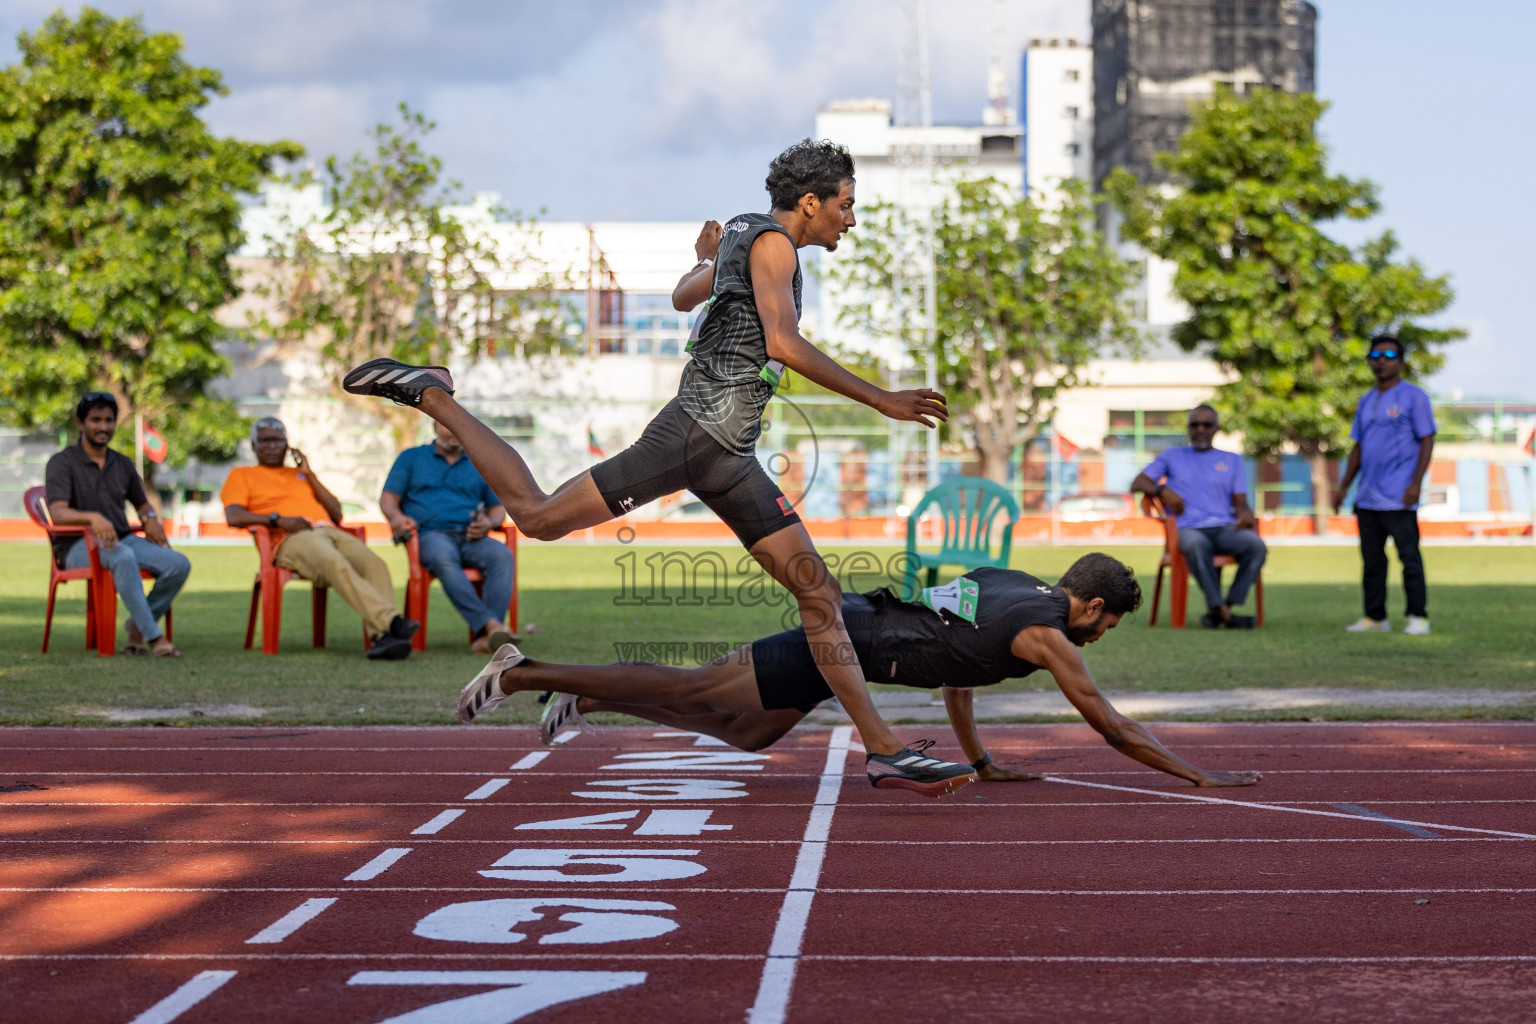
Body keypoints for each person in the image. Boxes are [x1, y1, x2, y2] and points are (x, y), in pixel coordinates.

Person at [341, 139, 972, 794]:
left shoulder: (741, 237)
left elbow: (681, 296)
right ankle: (435, 394)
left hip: (727, 455)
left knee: (819, 595)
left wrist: (706, 259)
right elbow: (783, 340)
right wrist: (880, 398)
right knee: (535, 517)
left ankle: (882, 748)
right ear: (810, 202)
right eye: (846, 205)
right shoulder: (775, 245)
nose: (851, 218)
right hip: (696, 437)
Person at [456, 553, 1261, 795]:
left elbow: (956, 673)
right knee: (694, 688)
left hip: (854, 646)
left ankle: (590, 694)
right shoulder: (1050, 636)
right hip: (840, 640)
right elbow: (1111, 724)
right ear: (1087, 605)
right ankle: (526, 673)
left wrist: (979, 762)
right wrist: (1196, 775)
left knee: (747, 736)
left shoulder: (1015, 585)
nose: (1106, 636)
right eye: (1109, 622)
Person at [221, 417, 418, 660]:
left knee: (375, 565)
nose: (272, 446)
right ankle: (391, 622)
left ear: (287, 445)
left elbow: (336, 512)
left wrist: (309, 473)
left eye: (278, 440)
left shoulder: (301, 476)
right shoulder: (242, 475)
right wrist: (277, 520)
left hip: (329, 531)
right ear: (253, 446)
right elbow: (233, 515)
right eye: (265, 441)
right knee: (333, 560)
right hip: (289, 537)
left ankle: (382, 639)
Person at [44, 392, 190, 657]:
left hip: (122, 538)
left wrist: (151, 520)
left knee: (178, 563)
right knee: (122, 557)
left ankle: (137, 627)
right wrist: (92, 517)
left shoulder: (122, 463)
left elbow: (142, 504)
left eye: (108, 420)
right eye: (95, 420)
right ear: (80, 424)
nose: (103, 426)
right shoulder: (61, 463)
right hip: (77, 545)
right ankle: (155, 638)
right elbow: (57, 513)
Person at [1331, 336, 1436, 635]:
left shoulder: (1414, 398)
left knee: (1409, 558)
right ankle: (1375, 618)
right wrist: (1343, 487)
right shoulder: (1366, 400)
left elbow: (1427, 439)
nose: (1381, 360)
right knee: (1372, 562)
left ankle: (1417, 616)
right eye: (1375, 355)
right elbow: (1359, 447)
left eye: (1389, 355)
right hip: (1367, 497)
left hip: (1399, 496)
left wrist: (1416, 483)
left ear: (1401, 362)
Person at [382, 421, 515, 653]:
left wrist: (489, 523)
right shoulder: (411, 458)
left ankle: (485, 638)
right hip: (430, 534)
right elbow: (388, 499)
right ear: (434, 426)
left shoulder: (479, 462)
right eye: (446, 426)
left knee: (501, 555)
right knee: (443, 557)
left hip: (471, 536)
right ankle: (490, 626)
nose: (453, 431)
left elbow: (497, 509)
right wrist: (396, 518)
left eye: (459, 427)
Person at [1130, 404, 1266, 629]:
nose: (1200, 429)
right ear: (1188, 428)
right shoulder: (1172, 456)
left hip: (1224, 528)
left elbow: (1241, 504)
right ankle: (1224, 613)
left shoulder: (1232, 460)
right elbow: (1138, 482)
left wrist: (1245, 514)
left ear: (1216, 428)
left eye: (1206, 424)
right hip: (1187, 529)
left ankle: (1223, 608)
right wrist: (1163, 490)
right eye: (1195, 425)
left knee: (1256, 546)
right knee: (1196, 545)